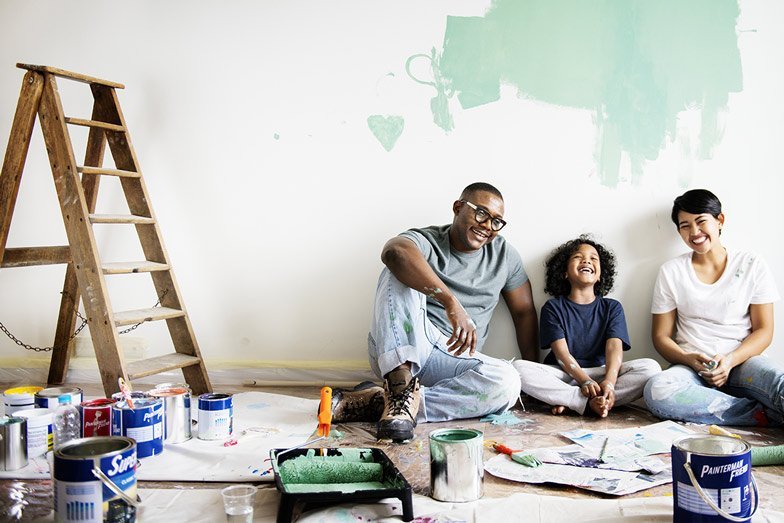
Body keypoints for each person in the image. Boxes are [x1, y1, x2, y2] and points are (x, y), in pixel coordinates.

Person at [331, 182, 538, 442]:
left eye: (496, 221)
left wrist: (535, 376)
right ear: (458, 207)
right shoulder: (428, 240)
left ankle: (389, 403)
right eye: (481, 213)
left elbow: (524, 312)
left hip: (456, 359)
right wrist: (450, 302)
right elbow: (394, 252)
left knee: (508, 382)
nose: (487, 226)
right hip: (407, 344)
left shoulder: (505, 256)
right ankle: (399, 383)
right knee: (395, 270)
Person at [644, 189, 783, 426]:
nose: (694, 232)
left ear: (720, 220)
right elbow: (660, 336)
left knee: (779, 381)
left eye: (701, 221)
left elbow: (764, 330)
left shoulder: (751, 264)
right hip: (692, 370)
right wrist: (688, 358)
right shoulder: (671, 271)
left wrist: (730, 360)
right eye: (685, 226)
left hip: (743, 363)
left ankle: (748, 406)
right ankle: (763, 415)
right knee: (657, 389)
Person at [514, 236, 660, 417]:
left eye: (593, 258)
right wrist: (584, 381)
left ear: (600, 276)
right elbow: (562, 355)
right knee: (518, 369)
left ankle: (583, 401)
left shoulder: (612, 307)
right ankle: (583, 401)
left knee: (651, 368)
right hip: (564, 375)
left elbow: (614, 348)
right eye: (578, 257)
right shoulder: (553, 307)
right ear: (564, 272)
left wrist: (609, 382)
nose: (586, 261)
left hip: (600, 374)